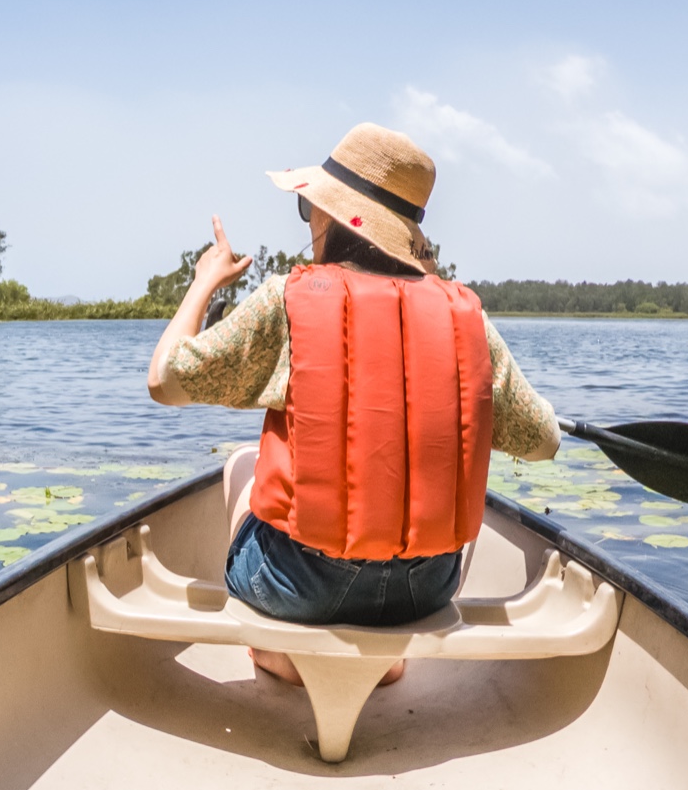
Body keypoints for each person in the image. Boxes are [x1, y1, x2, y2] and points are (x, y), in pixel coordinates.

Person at [146, 123, 560, 687]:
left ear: (331, 217)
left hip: (298, 588)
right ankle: (386, 656)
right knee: (465, 492)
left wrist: (205, 283)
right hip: (426, 591)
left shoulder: (287, 301)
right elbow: (544, 443)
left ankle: (277, 652)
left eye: (307, 209)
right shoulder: (469, 322)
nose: (308, 221)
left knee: (241, 463)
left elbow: (164, 379)